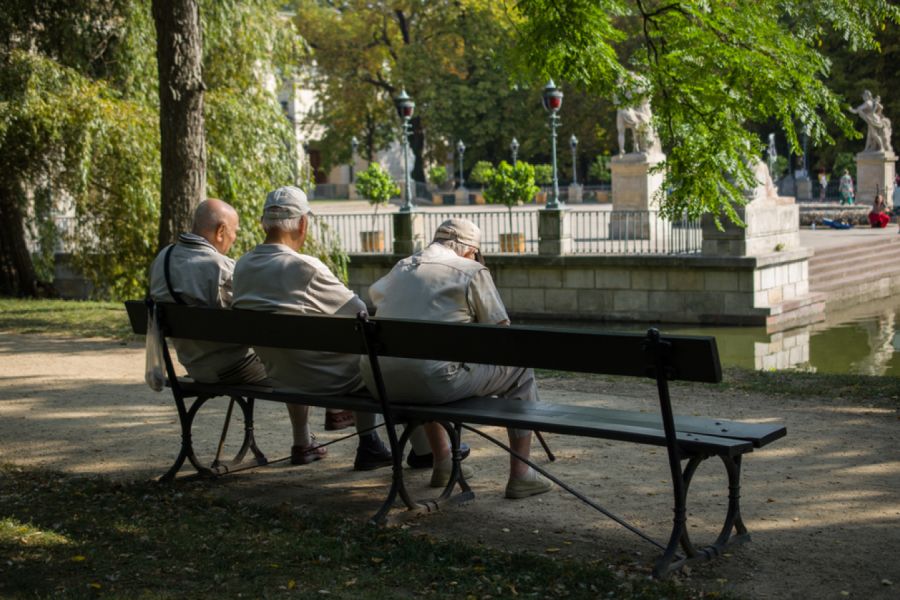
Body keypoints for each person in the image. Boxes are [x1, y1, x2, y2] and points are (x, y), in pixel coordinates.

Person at [361, 218, 553, 499]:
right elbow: (503, 338)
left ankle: (444, 462)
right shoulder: (470, 270)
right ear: (469, 250)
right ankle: (521, 474)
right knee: (520, 368)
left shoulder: (400, 268)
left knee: (423, 358)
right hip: (431, 382)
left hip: (380, 382)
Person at [231, 186, 394, 470]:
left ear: (262, 223)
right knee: (367, 354)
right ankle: (369, 442)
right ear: (303, 224)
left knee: (293, 349)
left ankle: (301, 441)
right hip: (323, 379)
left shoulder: (242, 266)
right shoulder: (306, 267)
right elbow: (360, 313)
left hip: (280, 375)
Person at [149, 198, 268, 386]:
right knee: (291, 367)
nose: (235, 239)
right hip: (232, 368)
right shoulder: (222, 268)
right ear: (221, 231)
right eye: (234, 231)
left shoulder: (163, 258)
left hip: (193, 365)